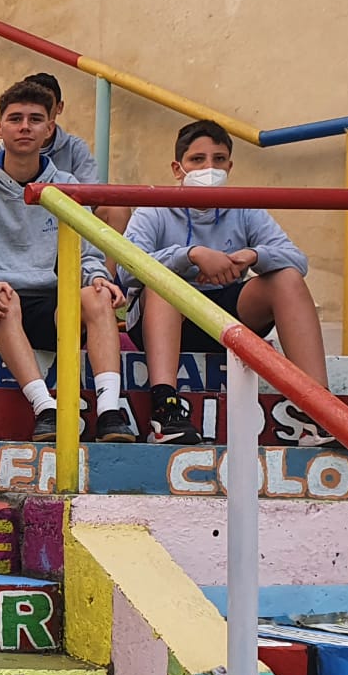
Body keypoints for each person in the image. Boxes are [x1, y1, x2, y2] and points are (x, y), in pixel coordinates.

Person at [0, 79, 132, 443]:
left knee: (95, 297)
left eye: (35, 119)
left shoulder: (64, 185)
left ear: (49, 129)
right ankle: (46, 408)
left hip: (48, 304)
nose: (25, 126)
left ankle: (109, 411)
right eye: (15, 119)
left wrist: (96, 278)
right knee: (5, 298)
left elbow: (89, 251)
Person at [125, 120, 328, 445]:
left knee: (286, 278)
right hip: (162, 320)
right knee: (162, 282)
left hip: (228, 319)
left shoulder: (244, 208)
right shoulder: (154, 209)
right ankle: (165, 410)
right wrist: (190, 255)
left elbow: (296, 260)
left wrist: (253, 256)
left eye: (219, 160)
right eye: (197, 160)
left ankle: (319, 410)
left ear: (230, 166)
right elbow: (127, 268)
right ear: (178, 169)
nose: (209, 168)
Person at [22, 71, 132, 233]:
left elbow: (90, 193)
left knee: (117, 209)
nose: (27, 125)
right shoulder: (7, 147)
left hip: (68, 215)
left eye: (45, 104)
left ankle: (100, 260)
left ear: (59, 108)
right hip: (21, 213)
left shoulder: (75, 148)